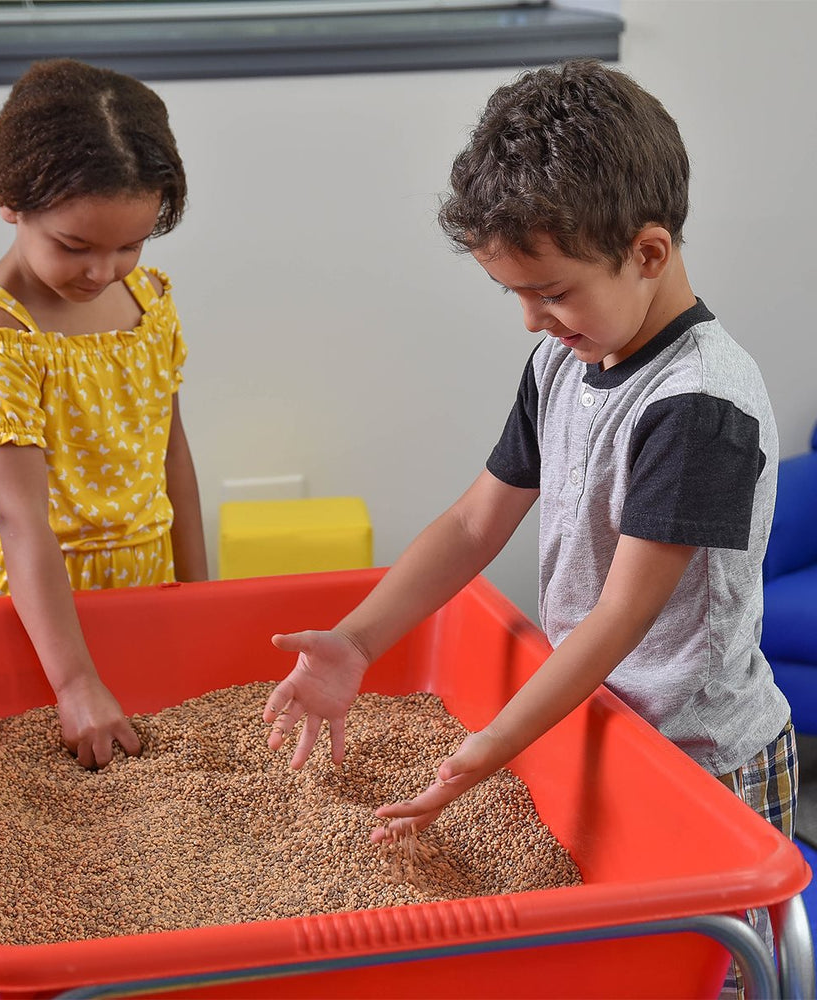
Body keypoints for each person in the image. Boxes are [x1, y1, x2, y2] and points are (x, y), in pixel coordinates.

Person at [262, 59, 794, 997]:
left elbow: (619, 617)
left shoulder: (698, 406)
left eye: (549, 291)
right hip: (603, 723)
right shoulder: (565, 360)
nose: (529, 320)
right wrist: (357, 640)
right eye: (511, 293)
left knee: (707, 975)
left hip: (702, 761)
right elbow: (474, 522)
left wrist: (488, 750)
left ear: (648, 252)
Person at [0, 59, 208, 770]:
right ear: (9, 201)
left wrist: (201, 600)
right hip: (41, 614)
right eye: (74, 246)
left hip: (150, 578)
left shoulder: (148, 299)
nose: (102, 272)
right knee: (64, 762)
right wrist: (75, 680)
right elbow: (18, 517)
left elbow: (171, 455)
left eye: (129, 244)